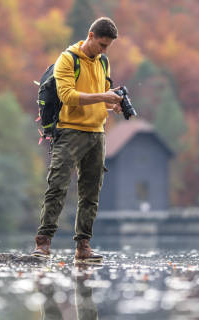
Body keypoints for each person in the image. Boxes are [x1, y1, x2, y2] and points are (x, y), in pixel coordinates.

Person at [32, 17, 122, 263]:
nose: (104, 51)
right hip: (69, 130)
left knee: (91, 192)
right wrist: (102, 96)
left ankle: (84, 246)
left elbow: (99, 96)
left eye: (108, 47)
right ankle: (43, 243)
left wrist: (110, 103)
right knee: (57, 186)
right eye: (102, 45)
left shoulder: (103, 62)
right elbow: (68, 96)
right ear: (90, 36)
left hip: (97, 133)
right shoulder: (67, 60)